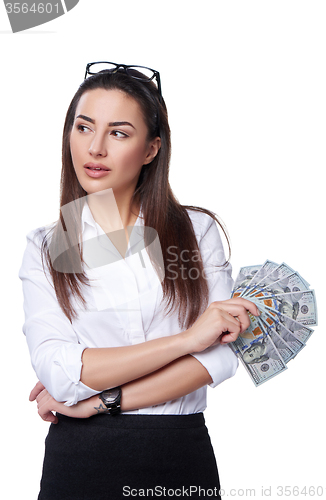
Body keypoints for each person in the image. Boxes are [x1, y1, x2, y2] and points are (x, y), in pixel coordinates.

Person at [19, 61, 260, 500]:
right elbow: (59, 371)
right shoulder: (45, 246)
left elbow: (220, 360)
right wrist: (186, 341)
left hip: (179, 457)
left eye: (118, 132)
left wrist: (97, 400)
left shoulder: (196, 231)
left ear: (151, 149)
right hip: (80, 463)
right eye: (83, 127)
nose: (94, 148)